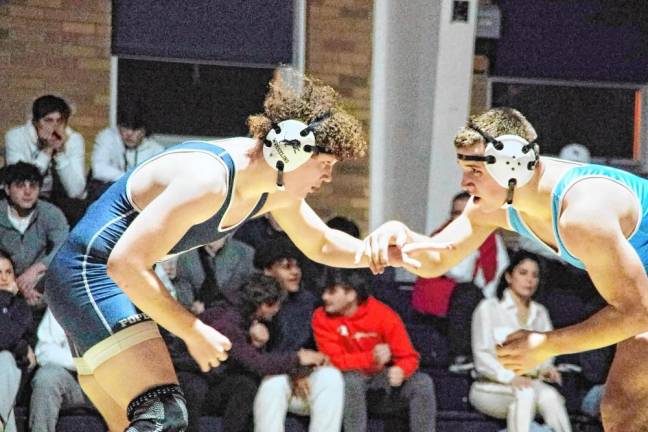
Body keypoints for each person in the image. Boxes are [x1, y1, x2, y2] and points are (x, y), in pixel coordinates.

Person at [43, 72, 429, 432]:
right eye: (324, 165)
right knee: (163, 413)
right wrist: (191, 329)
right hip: (88, 276)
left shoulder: (271, 187)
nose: (327, 178)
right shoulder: (208, 180)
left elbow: (321, 242)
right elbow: (124, 263)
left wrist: (378, 252)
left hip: (104, 284)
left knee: (137, 421)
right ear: (290, 152)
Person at [362, 106, 648, 431]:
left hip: (642, 304)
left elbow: (638, 313)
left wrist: (549, 344)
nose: (464, 182)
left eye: (474, 170)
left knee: (625, 409)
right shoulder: (496, 206)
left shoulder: (584, 215)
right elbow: (436, 259)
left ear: (514, 164)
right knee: (623, 412)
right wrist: (401, 238)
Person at [312, 268, 437, 432]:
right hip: (344, 386)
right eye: (324, 291)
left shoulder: (382, 314)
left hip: (379, 382)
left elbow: (408, 356)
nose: (325, 297)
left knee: (422, 382)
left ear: (351, 294)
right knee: (351, 380)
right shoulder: (321, 317)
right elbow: (332, 360)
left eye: (332, 292)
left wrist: (401, 370)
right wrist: (371, 357)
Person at [469, 251, 571, 432]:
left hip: (529, 382)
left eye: (534, 275)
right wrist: (510, 377)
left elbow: (547, 351)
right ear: (509, 276)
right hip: (489, 385)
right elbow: (481, 355)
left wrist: (546, 369)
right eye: (523, 273)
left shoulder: (540, 313)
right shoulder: (489, 308)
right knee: (525, 395)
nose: (529, 280)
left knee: (550, 397)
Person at [253, 238, 344, 432]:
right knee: (274, 384)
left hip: (304, 380)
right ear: (268, 271)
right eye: (286, 266)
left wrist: (301, 372)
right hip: (269, 381)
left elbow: (319, 350)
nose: (295, 272)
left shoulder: (310, 302)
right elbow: (258, 359)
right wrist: (292, 371)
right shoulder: (253, 300)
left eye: (296, 266)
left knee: (331, 377)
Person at [4, 95, 87, 224]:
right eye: (48, 120)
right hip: (28, 198)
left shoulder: (74, 139)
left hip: (61, 201)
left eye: (59, 121)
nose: (54, 127)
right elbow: (19, 180)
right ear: (35, 122)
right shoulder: (16, 136)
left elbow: (75, 191)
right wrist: (47, 151)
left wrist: (60, 153)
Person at [0, 162, 69, 308]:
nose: (27, 192)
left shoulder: (50, 213)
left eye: (33, 186)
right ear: (7, 189)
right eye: (20, 186)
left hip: (39, 281)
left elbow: (65, 245)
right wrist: (14, 282)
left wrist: (38, 268)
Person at [30, 308, 92, 432]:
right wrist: (82, 363)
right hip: (74, 380)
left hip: (111, 383)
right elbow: (44, 351)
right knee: (46, 377)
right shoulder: (62, 298)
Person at [89, 103, 164, 200]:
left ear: (144, 130)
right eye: (125, 127)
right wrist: (129, 179)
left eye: (135, 129)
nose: (129, 134)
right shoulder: (108, 137)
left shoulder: (156, 150)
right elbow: (98, 169)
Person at [0, 250, 34, 432]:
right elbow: (11, 339)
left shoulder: (21, 307)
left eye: (8, 272)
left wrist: (6, 299)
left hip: (13, 370)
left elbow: (5, 337)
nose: (4, 278)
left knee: (5, 359)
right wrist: (21, 347)